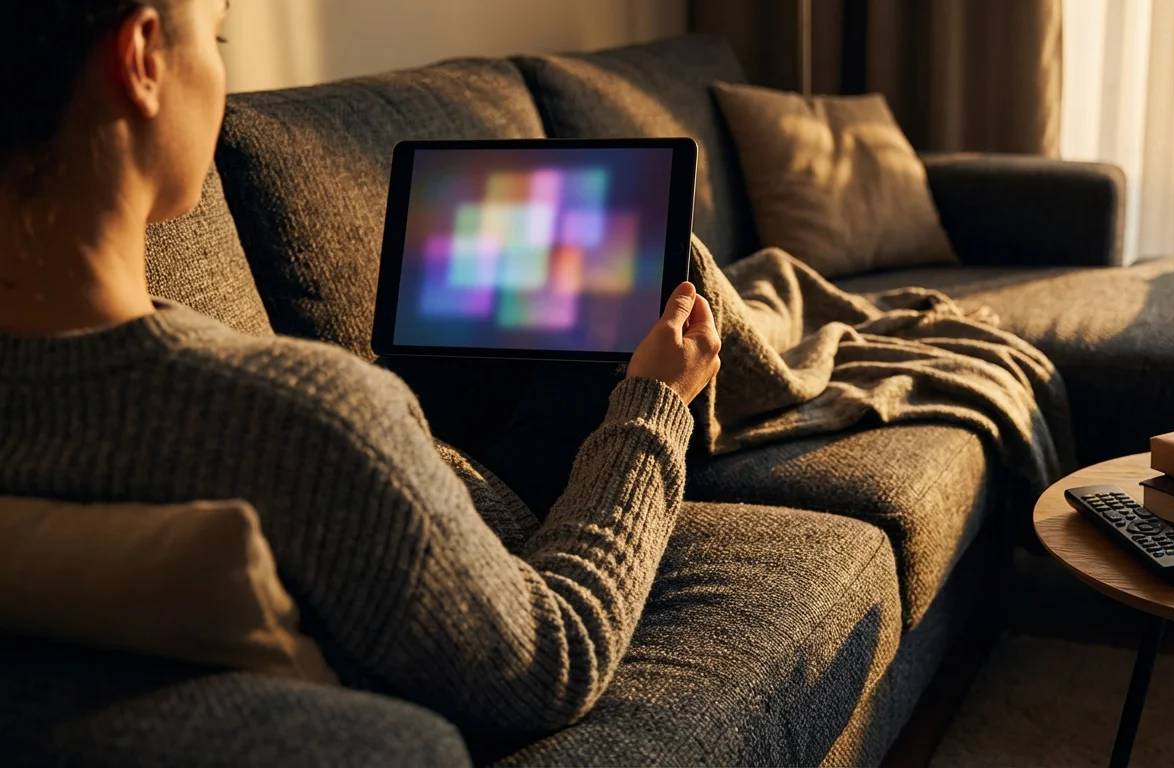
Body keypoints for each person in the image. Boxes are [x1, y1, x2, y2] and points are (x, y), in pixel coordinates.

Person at [0, 0, 721, 740]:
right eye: (216, 35)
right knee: (671, 286)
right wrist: (657, 401)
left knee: (522, 315)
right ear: (141, 58)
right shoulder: (309, 417)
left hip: (401, 457)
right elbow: (552, 661)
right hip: (480, 513)